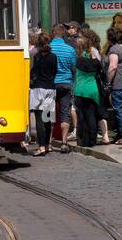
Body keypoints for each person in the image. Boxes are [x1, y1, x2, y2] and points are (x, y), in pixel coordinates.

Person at [49, 23, 77, 152]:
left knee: (48, 113)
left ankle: (48, 142)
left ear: (53, 34)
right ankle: (64, 143)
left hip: (51, 84)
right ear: (63, 34)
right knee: (65, 113)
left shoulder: (48, 48)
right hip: (66, 84)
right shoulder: (70, 50)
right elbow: (73, 68)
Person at [29, 33, 57, 155]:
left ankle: (40, 146)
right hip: (50, 88)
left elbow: (33, 72)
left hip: (38, 88)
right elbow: (55, 71)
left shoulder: (37, 57)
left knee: (39, 119)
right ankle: (47, 145)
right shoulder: (53, 57)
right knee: (47, 119)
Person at [73, 36, 102, 148]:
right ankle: (91, 141)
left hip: (80, 89)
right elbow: (100, 70)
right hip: (92, 89)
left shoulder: (78, 59)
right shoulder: (95, 61)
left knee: (81, 116)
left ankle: (81, 140)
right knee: (91, 116)